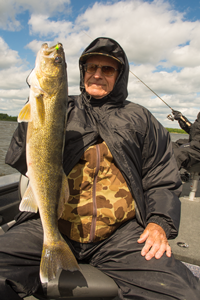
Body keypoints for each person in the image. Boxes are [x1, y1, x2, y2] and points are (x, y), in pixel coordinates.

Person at [1, 37, 200, 300]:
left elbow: (161, 178)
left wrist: (158, 222)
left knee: (184, 292)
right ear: (82, 73)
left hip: (120, 235)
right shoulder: (61, 106)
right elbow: (21, 156)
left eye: (107, 69)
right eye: (91, 68)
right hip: (54, 224)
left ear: (120, 75)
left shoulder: (141, 118)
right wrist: (38, 103)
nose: (97, 74)